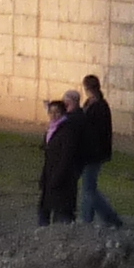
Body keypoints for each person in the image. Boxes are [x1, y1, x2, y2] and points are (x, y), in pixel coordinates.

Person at [74, 74, 124, 229]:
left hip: (93, 154)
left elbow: (94, 131)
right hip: (92, 153)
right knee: (88, 187)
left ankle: (107, 218)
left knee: (89, 189)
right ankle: (89, 219)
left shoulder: (98, 107)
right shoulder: (94, 104)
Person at [34, 90, 85, 225]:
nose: (53, 115)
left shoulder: (67, 130)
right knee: (44, 209)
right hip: (50, 174)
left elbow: (66, 157)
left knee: (62, 213)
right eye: (51, 112)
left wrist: (58, 176)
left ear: (63, 113)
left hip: (63, 177)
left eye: (57, 112)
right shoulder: (52, 129)